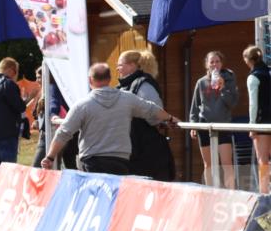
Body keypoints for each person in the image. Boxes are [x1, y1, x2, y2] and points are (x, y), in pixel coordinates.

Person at [41, 63, 180, 174]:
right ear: (109, 79)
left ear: (90, 80)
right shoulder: (128, 99)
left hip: (91, 161)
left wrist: (50, 157)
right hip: (120, 160)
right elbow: (152, 109)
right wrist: (170, 118)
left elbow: (64, 133)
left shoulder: (82, 105)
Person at [116, 50, 175, 181]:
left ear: (132, 65)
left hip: (143, 147)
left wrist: (164, 120)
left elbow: (154, 112)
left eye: (120, 64)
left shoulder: (144, 85)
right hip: (133, 146)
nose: (117, 68)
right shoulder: (123, 86)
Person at [189, 50, 239, 188]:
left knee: (226, 163)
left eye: (217, 61)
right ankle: (211, 192)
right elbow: (195, 105)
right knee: (209, 164)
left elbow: (232, 103)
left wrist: (223, 88)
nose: (215, 64)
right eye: (212, 62)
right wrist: (193, 124)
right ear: (207, 65)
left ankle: (231, 192)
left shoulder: (229, 78)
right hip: (205, 125)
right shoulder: (201, 82)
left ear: (222, 63)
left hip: (223, 125)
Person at [243, 45, 271, 194]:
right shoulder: (269, 72)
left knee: (263, 160)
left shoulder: (253, 77)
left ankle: (264, 193)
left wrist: (252, 125)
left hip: (262, 122)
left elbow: (253, 104)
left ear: (248, 60)